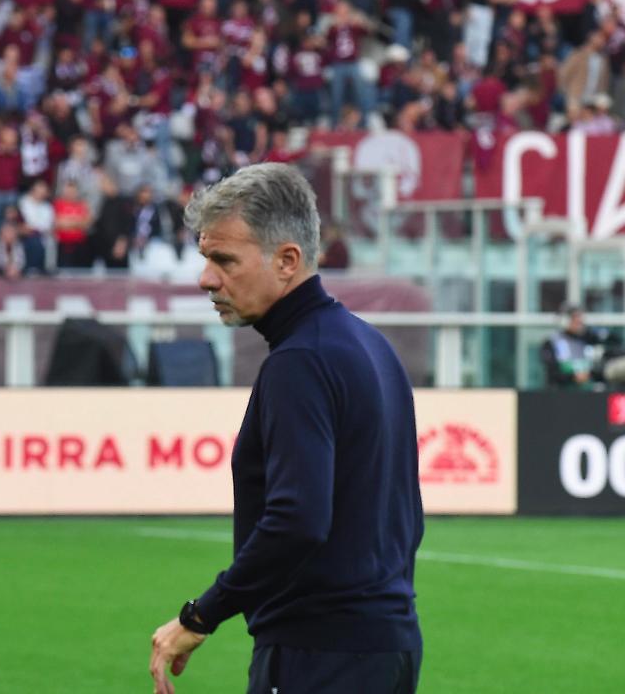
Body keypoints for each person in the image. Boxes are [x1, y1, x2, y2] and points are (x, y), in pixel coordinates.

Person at [148, 163, 423, 694]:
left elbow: (297, 518)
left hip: (319, 655)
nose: (207, 279)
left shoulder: (301, 361)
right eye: (206, 259)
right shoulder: (370, 345)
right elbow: (408, 517)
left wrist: (199, 615)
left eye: (224, 260)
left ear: (287, 260)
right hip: (388, 647)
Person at [540, 304, 608, 389]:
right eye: (574, 318)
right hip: (561, 392)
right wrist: (573, 377)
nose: (579, 322)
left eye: (580, 318)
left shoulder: (590, 340)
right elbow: (552, 371)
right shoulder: (552, 342)